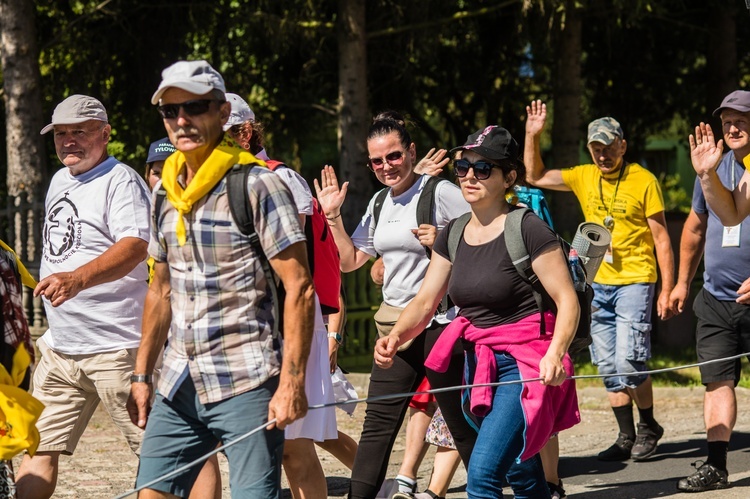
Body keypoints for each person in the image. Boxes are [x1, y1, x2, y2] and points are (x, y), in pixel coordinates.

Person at [128, 60, 315, 498]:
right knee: (150, 492)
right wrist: (141, 375)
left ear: (220, 110)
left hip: (245, 375)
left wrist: (291, 383)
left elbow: (300, 287)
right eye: (171, 111)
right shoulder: (164, 191)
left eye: (194, 107)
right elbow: (160, 289)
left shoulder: (255, 185)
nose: (182, 120)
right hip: (178, 378)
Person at [375, 125, 580, 498]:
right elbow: (424, 302)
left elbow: (567, 300)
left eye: (483, 168)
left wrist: (555, 353)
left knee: (483, 474)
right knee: (521, 470)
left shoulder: (529, 229)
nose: (469, 175)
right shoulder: (451, 233)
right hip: (477, 364)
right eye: (463, 166)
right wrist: (395, 336)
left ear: (509, 177)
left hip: (525, 364)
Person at [315, 111, 473, 499]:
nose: (386, 166)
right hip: (396, 330)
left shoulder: (442, 192)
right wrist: (333, 216)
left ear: (411, 151)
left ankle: (514, 488)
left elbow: (489, 237)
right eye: (377, 160)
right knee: (378, 424)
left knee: (461, 422)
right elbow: (352, 260)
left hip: (442, 325)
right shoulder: (380, 202)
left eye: (395, 156)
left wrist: (445, 237)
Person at [15, 95, 152, 499]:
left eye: (80, 131)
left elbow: (135, 245)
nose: (68, 141)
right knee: (38, 446)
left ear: (106, 134)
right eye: (60, 133)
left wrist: (77, 279)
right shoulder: (60, 179)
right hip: (61, 348)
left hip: (118, 347)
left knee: (159, 455)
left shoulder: (121, 180)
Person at [525, 100, 675, 462]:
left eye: (609, 146)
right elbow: (534, 176)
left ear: (623, 145)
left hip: (636, 280)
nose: (602, 154)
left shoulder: (644, 180)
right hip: (595, 283)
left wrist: (668, 288)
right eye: (596, 148)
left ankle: (649, 425)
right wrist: (533, 134)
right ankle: (626, 436)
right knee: (606, 364)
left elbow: (662, 238)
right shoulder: (583, 174)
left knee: (629, 361)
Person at [224, 91, 338, 498]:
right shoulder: (215, 181)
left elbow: (295, 266)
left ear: (245, 133)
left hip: (285, 323)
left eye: (220, 135)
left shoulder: (279, 178)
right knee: (266, 445)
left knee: (292, 446)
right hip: (243, 326)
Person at [670, 90, 750, 492]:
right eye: (726, 122)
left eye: (742, 120)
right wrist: (706, 174)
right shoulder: (723, 167)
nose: (733, 127)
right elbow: (723, 215)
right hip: (718, 297)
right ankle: (716, 465)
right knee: (717, 380)